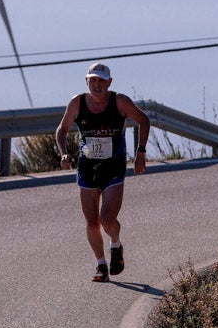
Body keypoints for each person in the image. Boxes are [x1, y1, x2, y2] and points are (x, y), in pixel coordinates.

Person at [55, 62, 150, 282]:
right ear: (86, 81)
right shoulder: (77, 103)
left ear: (109, 82)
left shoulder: (120, 101)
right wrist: (63, 152)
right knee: (91, 222)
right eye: (93, 80)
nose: (97, 85)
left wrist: (141, 153)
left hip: (113, 168)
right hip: (87, 168)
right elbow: (62, 129)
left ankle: (115, 245)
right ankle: (101, 265)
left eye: (101, 80)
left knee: (107, 219)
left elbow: (143, 120)